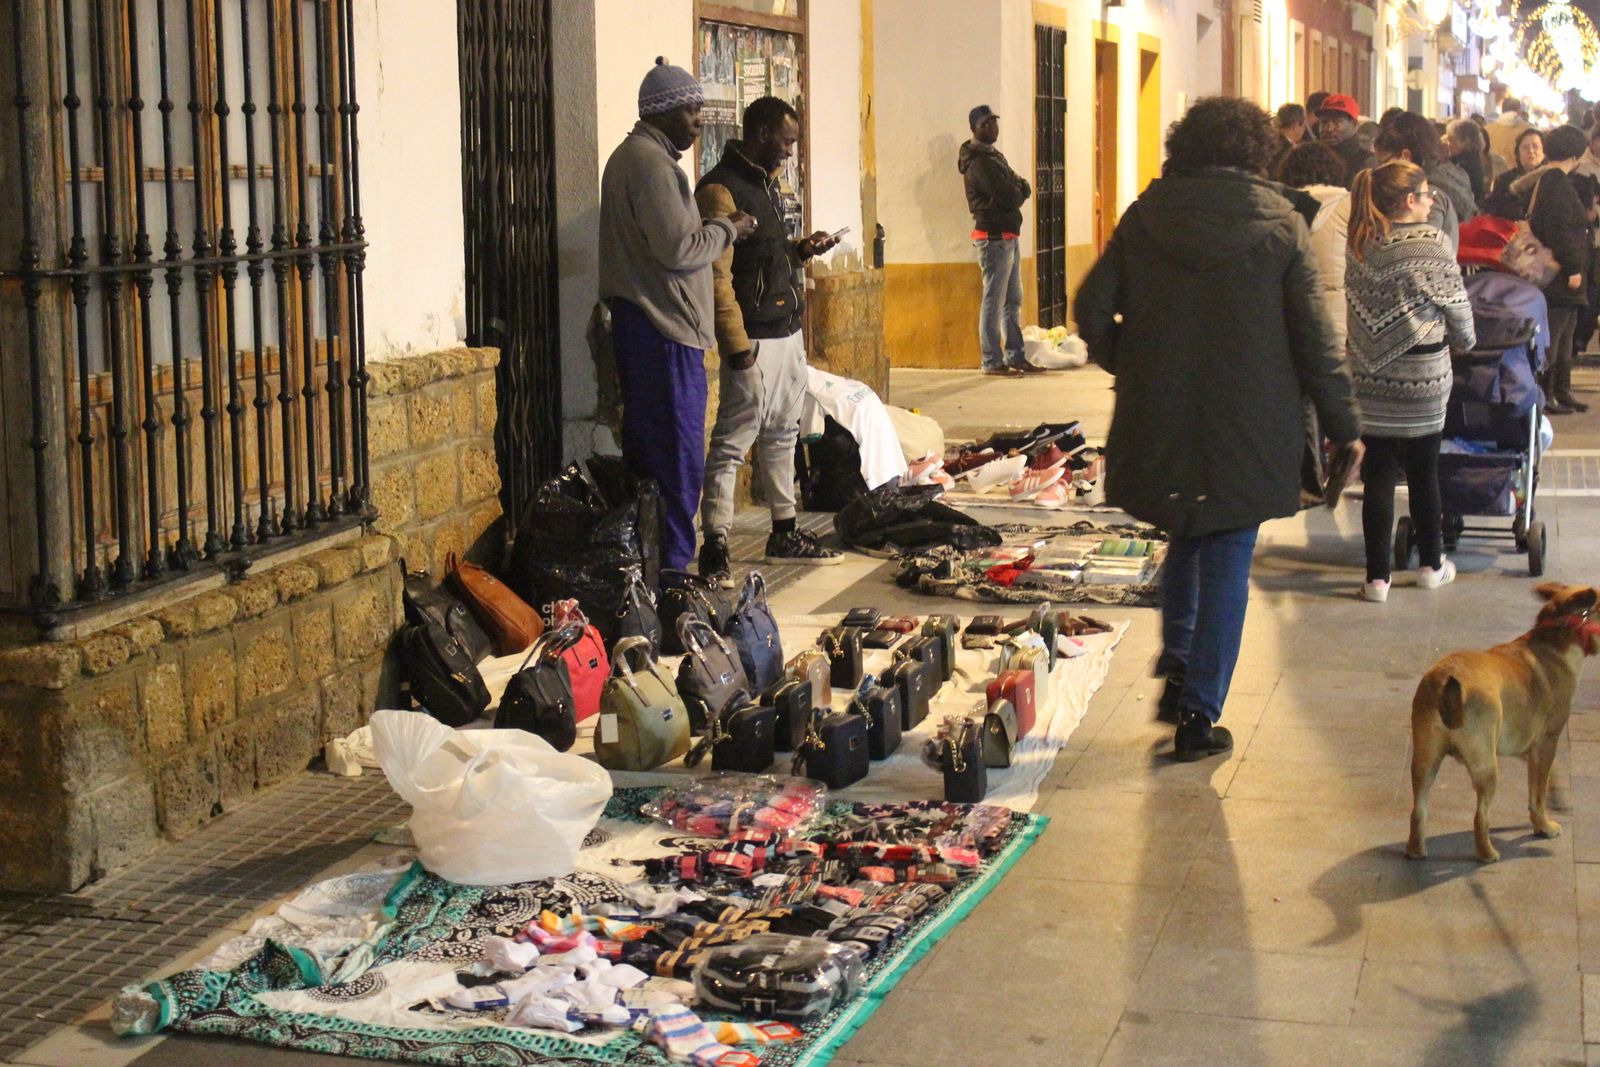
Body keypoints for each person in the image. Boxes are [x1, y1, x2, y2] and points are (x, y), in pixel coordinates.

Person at [1073, 96, 1362, 762]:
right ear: (1260, 152)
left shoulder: (1146, 216)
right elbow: (1317, 343)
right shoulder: (1283, 224)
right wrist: (1345, 423)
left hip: (1164, 415)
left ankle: (1177, 661)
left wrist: (1134, 365)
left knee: (1184, 529)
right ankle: (1200, 713)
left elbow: (1090, 310)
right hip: (1252, 420)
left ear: (1187, 147)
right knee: (1228, 551)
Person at [598, 58, 757, 573]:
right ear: (664, 113)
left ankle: (656, 570)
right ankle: (672, 576)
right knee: (676, 463)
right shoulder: (651, 165)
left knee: (657, 462)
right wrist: (727, 228)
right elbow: (678, 248)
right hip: (662, 332)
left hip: (649, 328)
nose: (698, 121)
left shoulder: (637, 158)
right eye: (691, 111)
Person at [694, 97, 844, 582]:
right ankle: (715, 544)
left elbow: (765, 254)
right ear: (760, 132)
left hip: (786, 332)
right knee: (733, 444)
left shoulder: (765, 185)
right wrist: (737, 346)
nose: (790, 152)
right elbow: (717, 277)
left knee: (782, 436)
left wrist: (800, 249)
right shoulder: (720, 190)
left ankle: (784, 529)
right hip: (754, 340)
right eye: (786, 141)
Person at [1345, 161, 1475, 603]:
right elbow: (1458, 311)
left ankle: (1376, 580)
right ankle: (1431, 566)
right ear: (1407, 201)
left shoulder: (1362, 244)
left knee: (1377, 477)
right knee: (1424, 474)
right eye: (1425, 193)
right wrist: (1466, 340)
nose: (1432, 199)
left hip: (1370, 381)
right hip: (1423, 380)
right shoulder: (1433, 244)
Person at [1279, 142, 1353, 499]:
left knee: (1305, 397)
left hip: (1296, 311)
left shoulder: (1284, 207)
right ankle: (1345, 456)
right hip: (1341, 313)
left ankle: (1311, 474)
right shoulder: (1350, 205)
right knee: (1338, 387)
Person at [1514, 125, 1592, 414]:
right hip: (1560, 275)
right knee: (1554, 334)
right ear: (1576, 152)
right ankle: (1547, 394)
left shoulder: (1550, 179)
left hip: (1559, 274)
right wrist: (1573, 268)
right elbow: (1562, 230)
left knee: (1565, 332)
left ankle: (1561, 389)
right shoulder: (1557, 182)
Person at [959, 104, 1038, 376]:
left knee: (1013, 298)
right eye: (986, 124)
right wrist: (1016, 192)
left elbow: (1022, 185)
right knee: (994, 299)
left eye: (994, 122)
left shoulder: (995, 156)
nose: (993, 127)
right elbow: (1008, 195)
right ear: (975, 129)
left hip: (1008, 235)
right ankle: (991, 359)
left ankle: (1015, 355)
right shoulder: (978, 162)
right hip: (993, 238)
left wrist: (1017, 190)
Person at [1373, 111, 1474, 249]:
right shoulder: (1446, 181)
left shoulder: (1427, 195)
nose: (1379, 170)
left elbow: (1421, 253)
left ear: (1405, 157)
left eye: (1383, 162)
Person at [1316, 94, 1376, 188]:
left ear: (1354, 125)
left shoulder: (1367, 162)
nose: (1329, 128)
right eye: (1324, 122)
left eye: (1337, 122)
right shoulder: (1314, 158)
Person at [1484, 127, 1544, 217]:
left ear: (1544, 152)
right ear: (1518, 153)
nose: (1531, 151)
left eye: (1535, 147)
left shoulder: (1550, 179)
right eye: (1525, 147)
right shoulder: (1504, 180)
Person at [1445, 118, 1488, 204]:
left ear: (1462, 141)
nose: (1447, 144)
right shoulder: (1474, 158)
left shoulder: (1464, 164)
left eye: (1450, 140)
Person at [1487, 97, 1533, 167]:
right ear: (1519, 110)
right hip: (1521, 175)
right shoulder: (1529, 130)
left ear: (1502, 110)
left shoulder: (1487, 129)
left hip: (1493, 175)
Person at [1271, 103, 1308, 175]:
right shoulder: (1291, 152)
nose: (1305, 129)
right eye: (1304, 124)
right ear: (1296, 126)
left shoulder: (1269, 144)